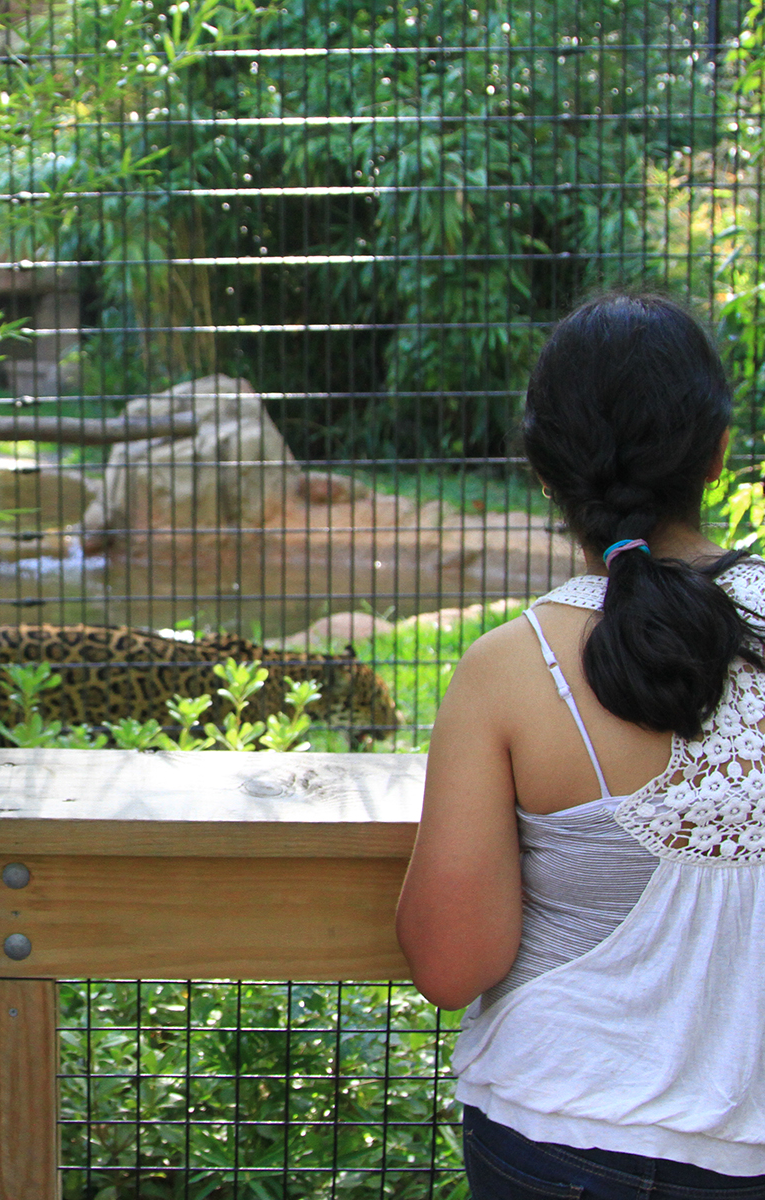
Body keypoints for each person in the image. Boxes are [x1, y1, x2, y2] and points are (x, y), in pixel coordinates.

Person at [397, 291, 765, 1196]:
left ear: (543, 469)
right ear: (719, 453)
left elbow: (450, 966)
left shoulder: (509, 670)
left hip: (550, 1139)